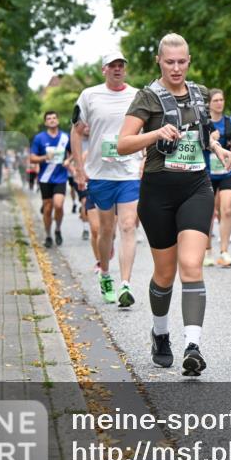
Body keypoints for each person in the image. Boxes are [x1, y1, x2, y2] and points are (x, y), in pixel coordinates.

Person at [117, 33, 231, 376]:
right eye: (169, 62)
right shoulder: (148, 97)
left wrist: (218, 149)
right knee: (165, 274)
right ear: (159, 61)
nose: (176, 68)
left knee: (191, 265)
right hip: (158, 193)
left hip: (197, 188)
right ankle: (160, 333)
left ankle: (192, 346)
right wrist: (156, 134)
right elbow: (123, 143)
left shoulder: (199, 94)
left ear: (189, 60)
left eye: (182, 61)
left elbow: (204, 132)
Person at [72, 51, 143, 307]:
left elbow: (145, 129)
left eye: (121, 65)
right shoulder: (89, 96)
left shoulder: (137, 95)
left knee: (127, 225)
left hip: (128, 173)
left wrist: (144, 159)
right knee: (106, 230)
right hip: (100, 174)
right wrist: (80, 168)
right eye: (112, 65)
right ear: (104, 69)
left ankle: (125, 284)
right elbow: (76, 131)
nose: (117, 69)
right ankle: (105, 273)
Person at [202, 88, 231, 268]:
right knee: (208, 213)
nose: (219, 103)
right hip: (207, 172)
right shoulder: (203, 122)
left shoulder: (229, 122)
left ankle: (224, 252)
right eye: (215, 100)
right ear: (208, 103)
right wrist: (209, 139)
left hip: (227, 173)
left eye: (221, 100)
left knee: (226, 210)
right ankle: (207, 250)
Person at [30, 111, 71, 248]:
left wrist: (68, 160)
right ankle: (48, 235)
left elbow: (73, 152)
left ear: (58, 120)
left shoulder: (65, 137)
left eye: (54, 118)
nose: (52, 120)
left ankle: (58, 229)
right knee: (47, 209)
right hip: (45, 178)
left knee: (58, 205)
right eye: (49, 119)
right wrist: (44, 158)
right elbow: (32, 158)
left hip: (60, 176)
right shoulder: (39, 138)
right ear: (45, 122)